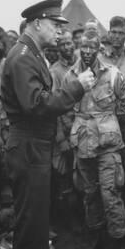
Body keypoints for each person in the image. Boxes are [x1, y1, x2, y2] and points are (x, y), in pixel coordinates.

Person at [1, 0, 95, 249]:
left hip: (34, 146)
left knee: (37, 225)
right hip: (29, 147)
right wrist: (77, 88)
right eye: (55, 25)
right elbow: (37, 104)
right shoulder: (22, 57)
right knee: (31, 227)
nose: (60, 32)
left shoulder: (30, 53)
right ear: (37, 23)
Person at [64, 30, 125, 249]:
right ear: (78, 48)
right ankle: (95, 236)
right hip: (83, 143)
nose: (86, 52)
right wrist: (69, 135)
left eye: (91, 48)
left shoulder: (113, 73)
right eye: (82, 48)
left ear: (99, 49)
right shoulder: (70, 76)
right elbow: (63, 108)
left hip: (108, 144)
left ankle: (121, 241)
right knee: (90, 193)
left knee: (111, 193)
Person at [99, 16, 125, 241]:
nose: (116, 36)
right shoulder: (98, 58)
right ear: (108, 33)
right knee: (111, 180)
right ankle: (111, 232)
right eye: (112, 32)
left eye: (120, 32)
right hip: (104, 127)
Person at [49, 31, 78, 230]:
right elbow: (54, 107)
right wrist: (60, 138)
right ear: (58, 47)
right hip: (66, 130)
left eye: (70, 43)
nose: (67, 47)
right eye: (63, 44)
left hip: (83, 128)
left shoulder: (82, 65)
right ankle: (70, 221)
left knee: (82, 175)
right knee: (65, 178)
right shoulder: (54, 71)